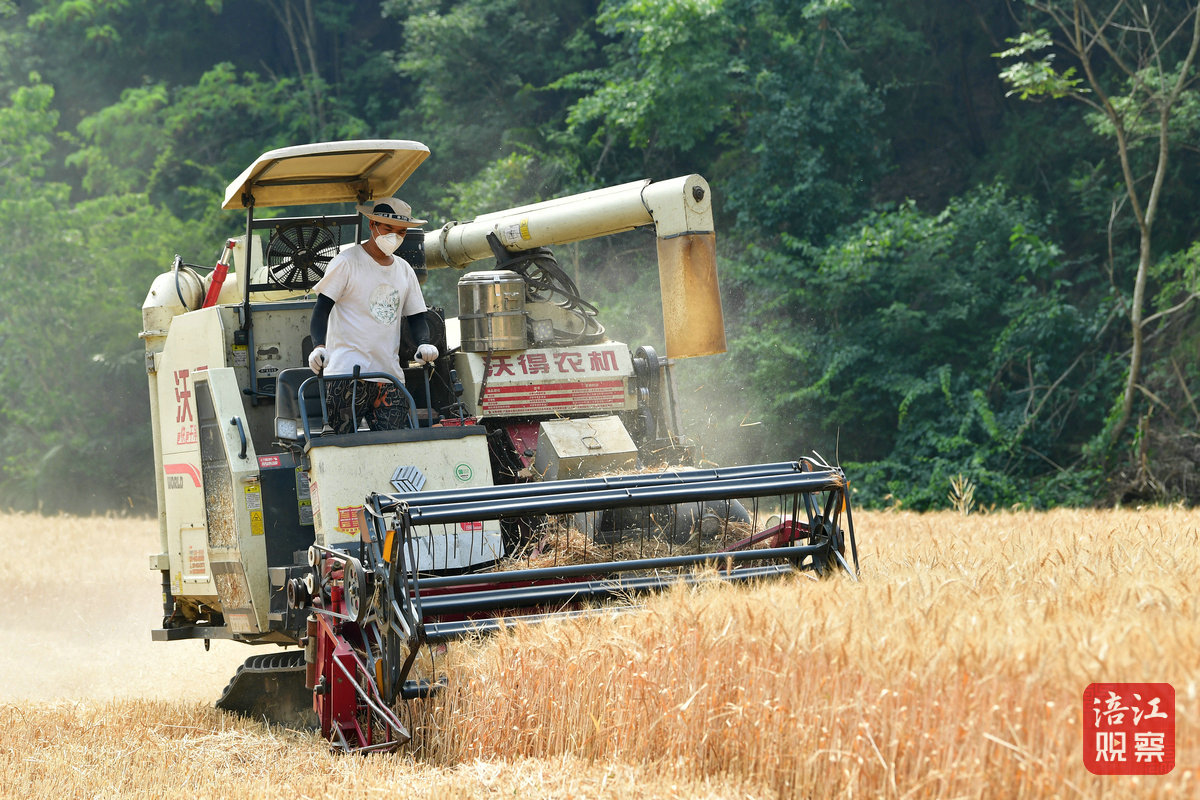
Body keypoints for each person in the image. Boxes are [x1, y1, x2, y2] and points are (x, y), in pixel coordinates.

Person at [308, 196, 438, 434]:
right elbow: (321, 309)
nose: (394, 237)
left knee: (393, 445)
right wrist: (318, 346)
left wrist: (424, 343)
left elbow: (417, 317)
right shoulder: (346, 263)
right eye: (388, 229)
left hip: (389, 377)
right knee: (342, 444)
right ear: (372, 225)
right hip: (346, 375)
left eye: (401, 232)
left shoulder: (404, 270)